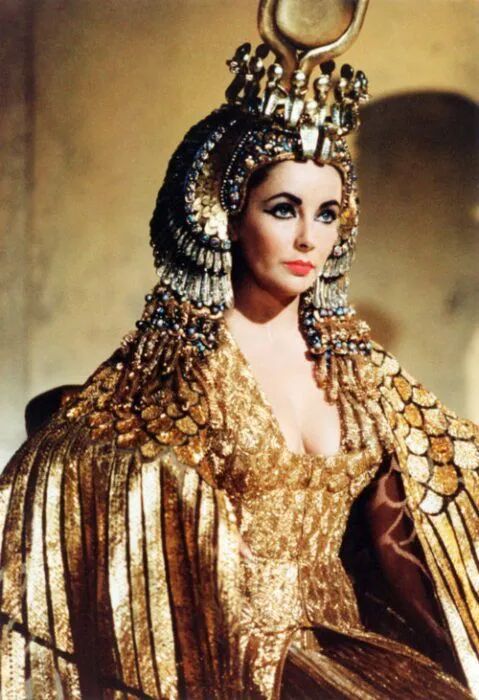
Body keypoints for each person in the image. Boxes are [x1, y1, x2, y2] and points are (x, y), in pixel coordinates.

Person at [0, 3, 478, 699]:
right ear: (226, 214)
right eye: (283, 209)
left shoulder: (357, 369)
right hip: (227, 664)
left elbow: (445, 490)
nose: (308, 239)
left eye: (327, 214)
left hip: (355, 647)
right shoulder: (178, 374)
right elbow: (79, 486)